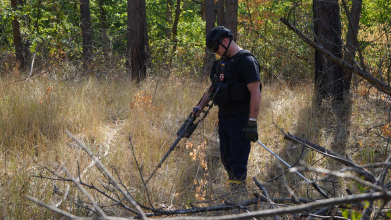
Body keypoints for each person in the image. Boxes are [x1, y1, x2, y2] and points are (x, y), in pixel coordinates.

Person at [193, 26, 261, 194]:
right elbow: (213, 89)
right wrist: (200, 107)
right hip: (224, 119)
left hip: (241, 120)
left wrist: (252, 122)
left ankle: (238, 197)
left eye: (216, 47)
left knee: (238, 161)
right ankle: (235, 191)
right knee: (225, 158)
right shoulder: (221, 64)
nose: (216, 52)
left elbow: (255, 92)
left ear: (225, 40)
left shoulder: (246, 61)